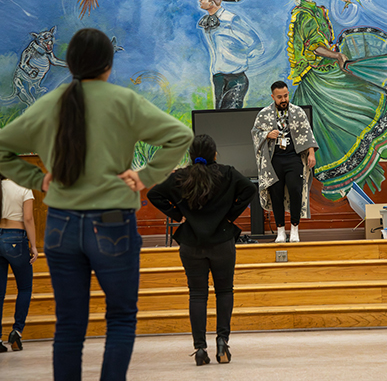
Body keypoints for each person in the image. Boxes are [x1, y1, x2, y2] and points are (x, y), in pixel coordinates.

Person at [0, 28, 193, 380]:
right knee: (120, 317)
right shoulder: (124, 101)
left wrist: (36, 179)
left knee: (69, 325)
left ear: (70, 63)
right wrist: (144, 176)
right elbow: (180, 136)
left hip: (60, 225)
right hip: (112, 224)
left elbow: (2, 148)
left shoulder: (49, 103)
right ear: (109, 63)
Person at [286, 0, 387, 200]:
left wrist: (337, 53)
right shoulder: (302, 15)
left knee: (357, 106)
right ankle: (343, 179)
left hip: (326, 72)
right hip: (316, 81)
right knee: (334, 126)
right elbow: (312, 46)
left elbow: (324, 43)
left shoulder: (318, 11)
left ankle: (364, 172)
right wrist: (335, 55)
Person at [147, 134, 255, 365]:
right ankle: (222, 342)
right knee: (224, 291)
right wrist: (229, 216)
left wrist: (179, 215)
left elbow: (153, 194)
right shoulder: (227, 173)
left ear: (190, 155)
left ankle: (199, 349)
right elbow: (249, 190)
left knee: (197, 294)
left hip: (191, 244)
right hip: (222, 243)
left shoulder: (180, 177)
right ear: (215, 154)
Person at [178, 0, 264, 109]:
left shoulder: (231, 19)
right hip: (218, 77)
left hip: (236, 78)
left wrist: (240, 59)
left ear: (212, 1)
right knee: (219, 115)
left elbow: (256, 44)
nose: (200, 1)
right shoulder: (208, 21)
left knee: (231, 116)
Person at [251, 81, 318, 243]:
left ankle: (294, 227)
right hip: (274, 160)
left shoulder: (298, 112)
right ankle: (280, 230)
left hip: (293, 157)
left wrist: (311, 154)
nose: (283, 99)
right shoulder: (264, 114)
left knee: (296, 190)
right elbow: (255, 133)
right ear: (273, 97)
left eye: (286, 96)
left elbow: (307, 133)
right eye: (279, 97)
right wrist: (267, 134)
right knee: (276, 194)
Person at [0, 174, 38, 352]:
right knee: (24, 288)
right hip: (16, 239)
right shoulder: (24, 187)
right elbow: (28, 219)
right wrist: (34, 245)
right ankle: (16, 331)